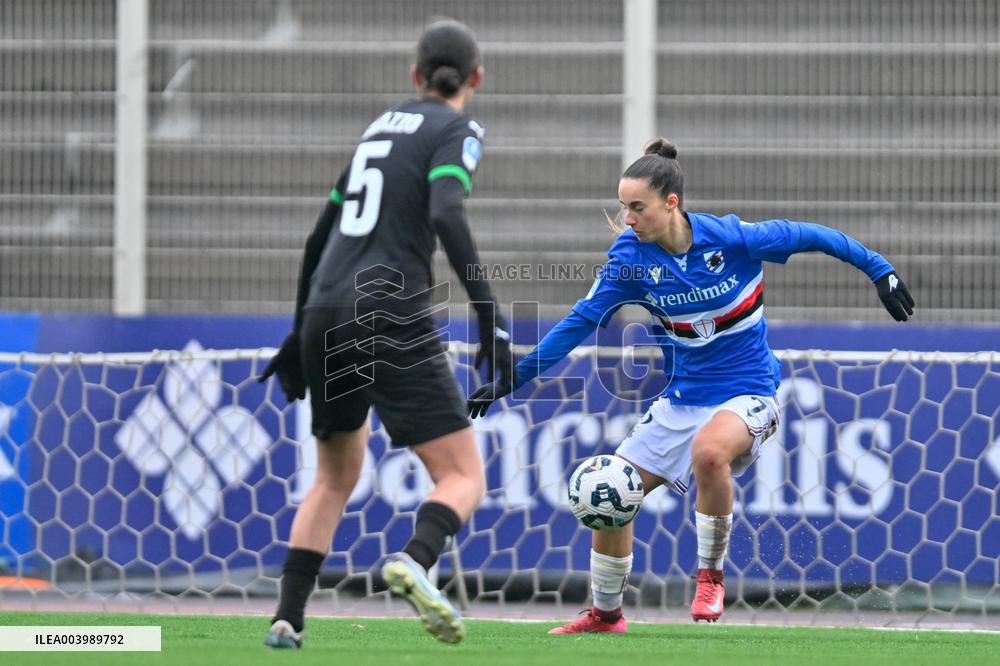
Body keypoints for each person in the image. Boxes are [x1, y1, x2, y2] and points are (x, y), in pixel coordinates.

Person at [467, 138, 914, 632]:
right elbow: (578, 322)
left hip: (749, 391)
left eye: (638, 207)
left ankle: (710, 578)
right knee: (611, 490)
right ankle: (605, 614)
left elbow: (813, 235)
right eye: (624, 207)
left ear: (671, 203)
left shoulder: (733, 238)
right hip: (681, 401)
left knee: (708, 453)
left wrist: (880, 270)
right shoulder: (629, 260)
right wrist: (512, 380)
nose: (628, 218)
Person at [259, 19, 511, 648]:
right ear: (475, 78)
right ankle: (415, 562)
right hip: (385, 308)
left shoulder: (379, 128)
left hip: (325, 309)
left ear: (414, 76)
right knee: (462, 476)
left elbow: (320, 235)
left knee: (333, 475)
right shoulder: (457, 128)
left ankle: (287, 616)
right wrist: (489, 315)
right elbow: (446, 210)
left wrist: (299, 330)